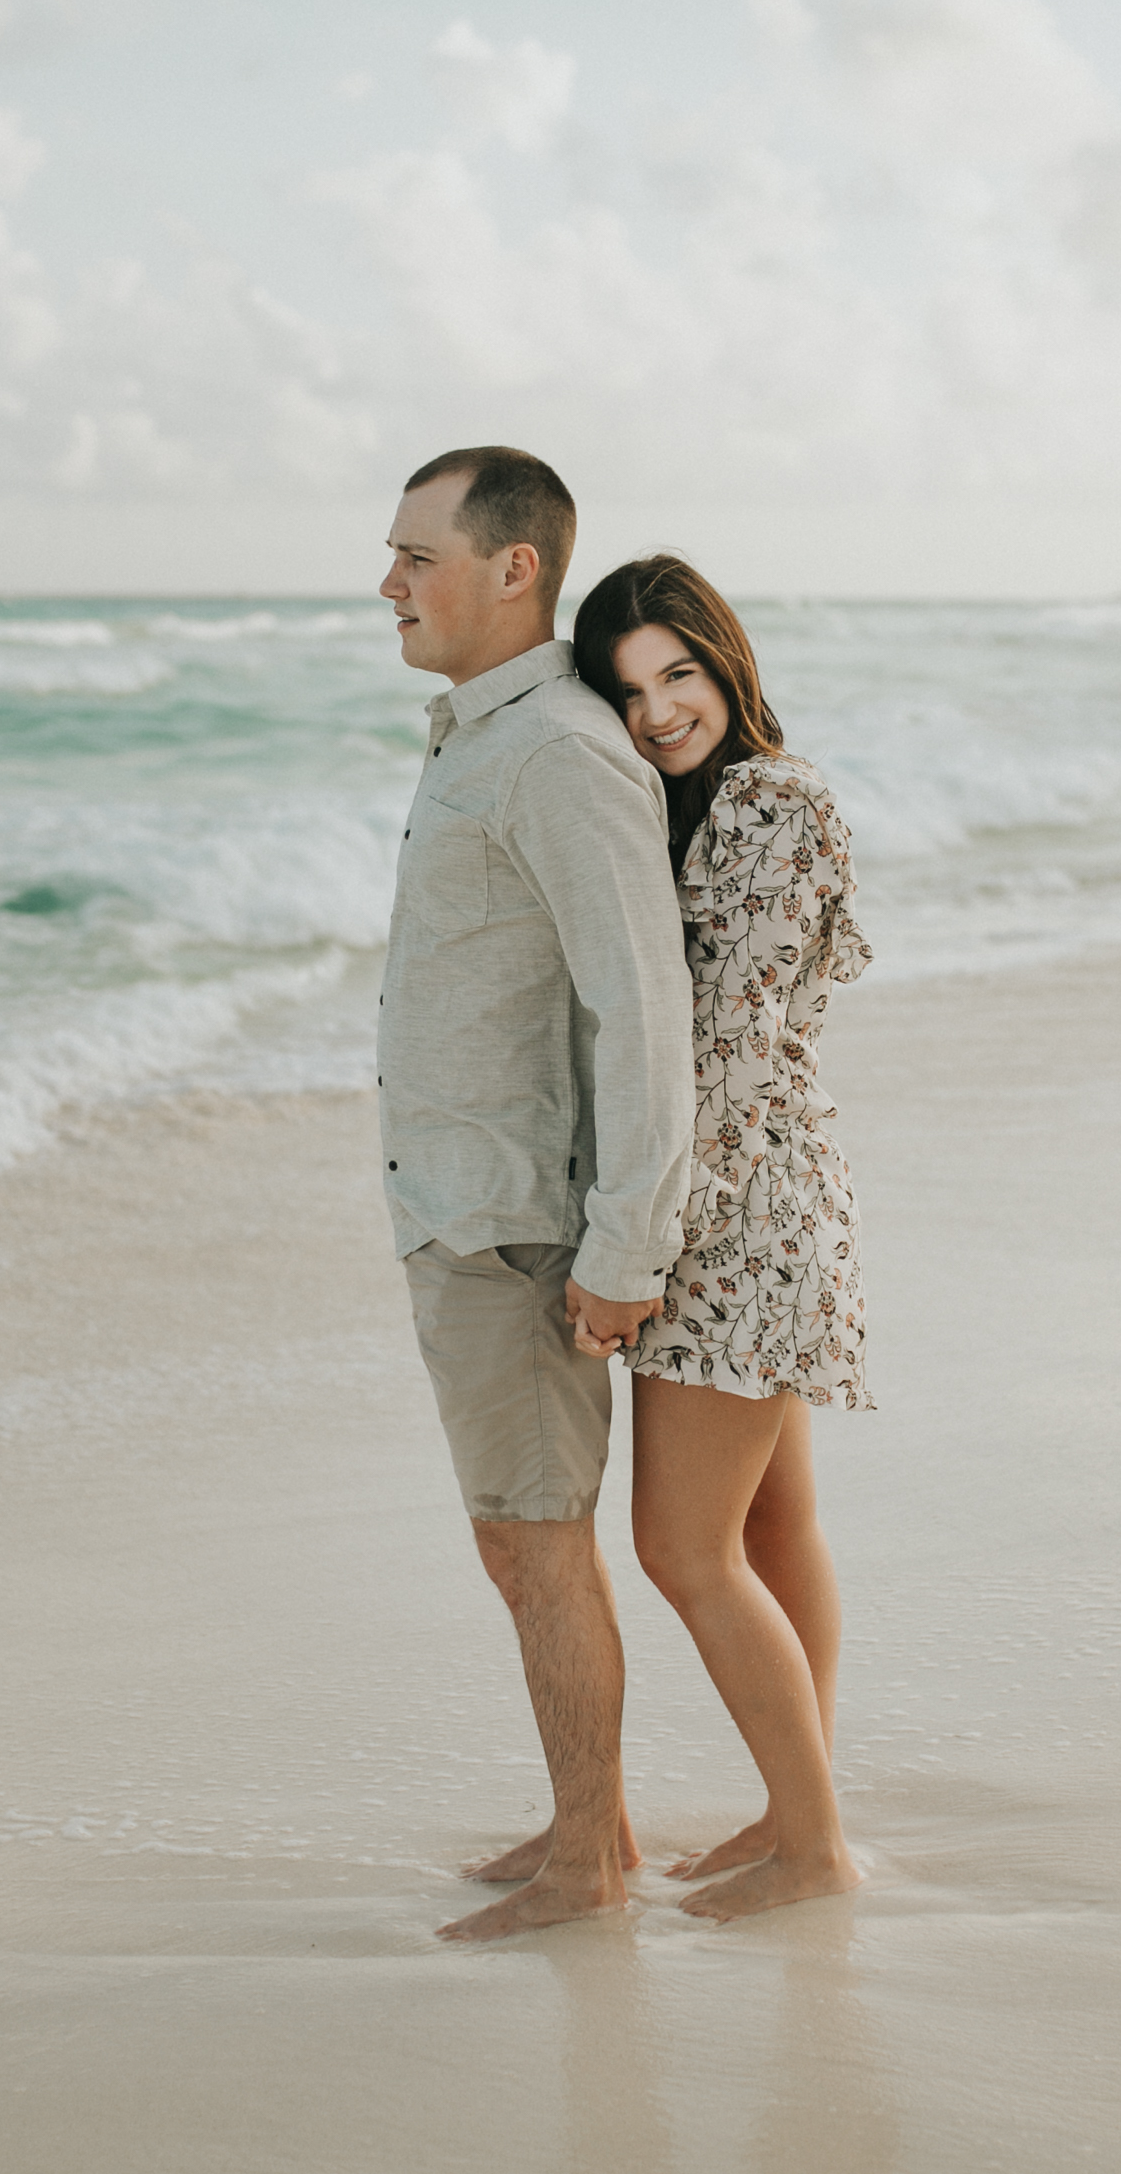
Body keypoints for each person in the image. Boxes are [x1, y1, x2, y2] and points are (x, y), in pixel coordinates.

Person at [373, 446, 694, 1944]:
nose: (389, 586)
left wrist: (629, 1242)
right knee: (517, 1537)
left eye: (416, 557)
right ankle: (596, 1822)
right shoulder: (481, 736)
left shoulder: (556, 751)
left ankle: (591, 1870)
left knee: (539, 1536)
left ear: (517, 570)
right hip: (457, 1201)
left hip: (514, 1221)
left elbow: (642, 1007)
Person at [569, 553, 875, 1923]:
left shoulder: (766, 799)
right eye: (627, 691)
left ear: (724, 661)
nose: (657, 712)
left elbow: (725, 1047)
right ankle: (796, 1810)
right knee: (773, 1520)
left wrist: (635, 1253)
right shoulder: (705, 808)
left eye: (678, 674)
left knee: (685, 1550)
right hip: (768, 1197)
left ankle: (815, 1851)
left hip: (737, 1211)